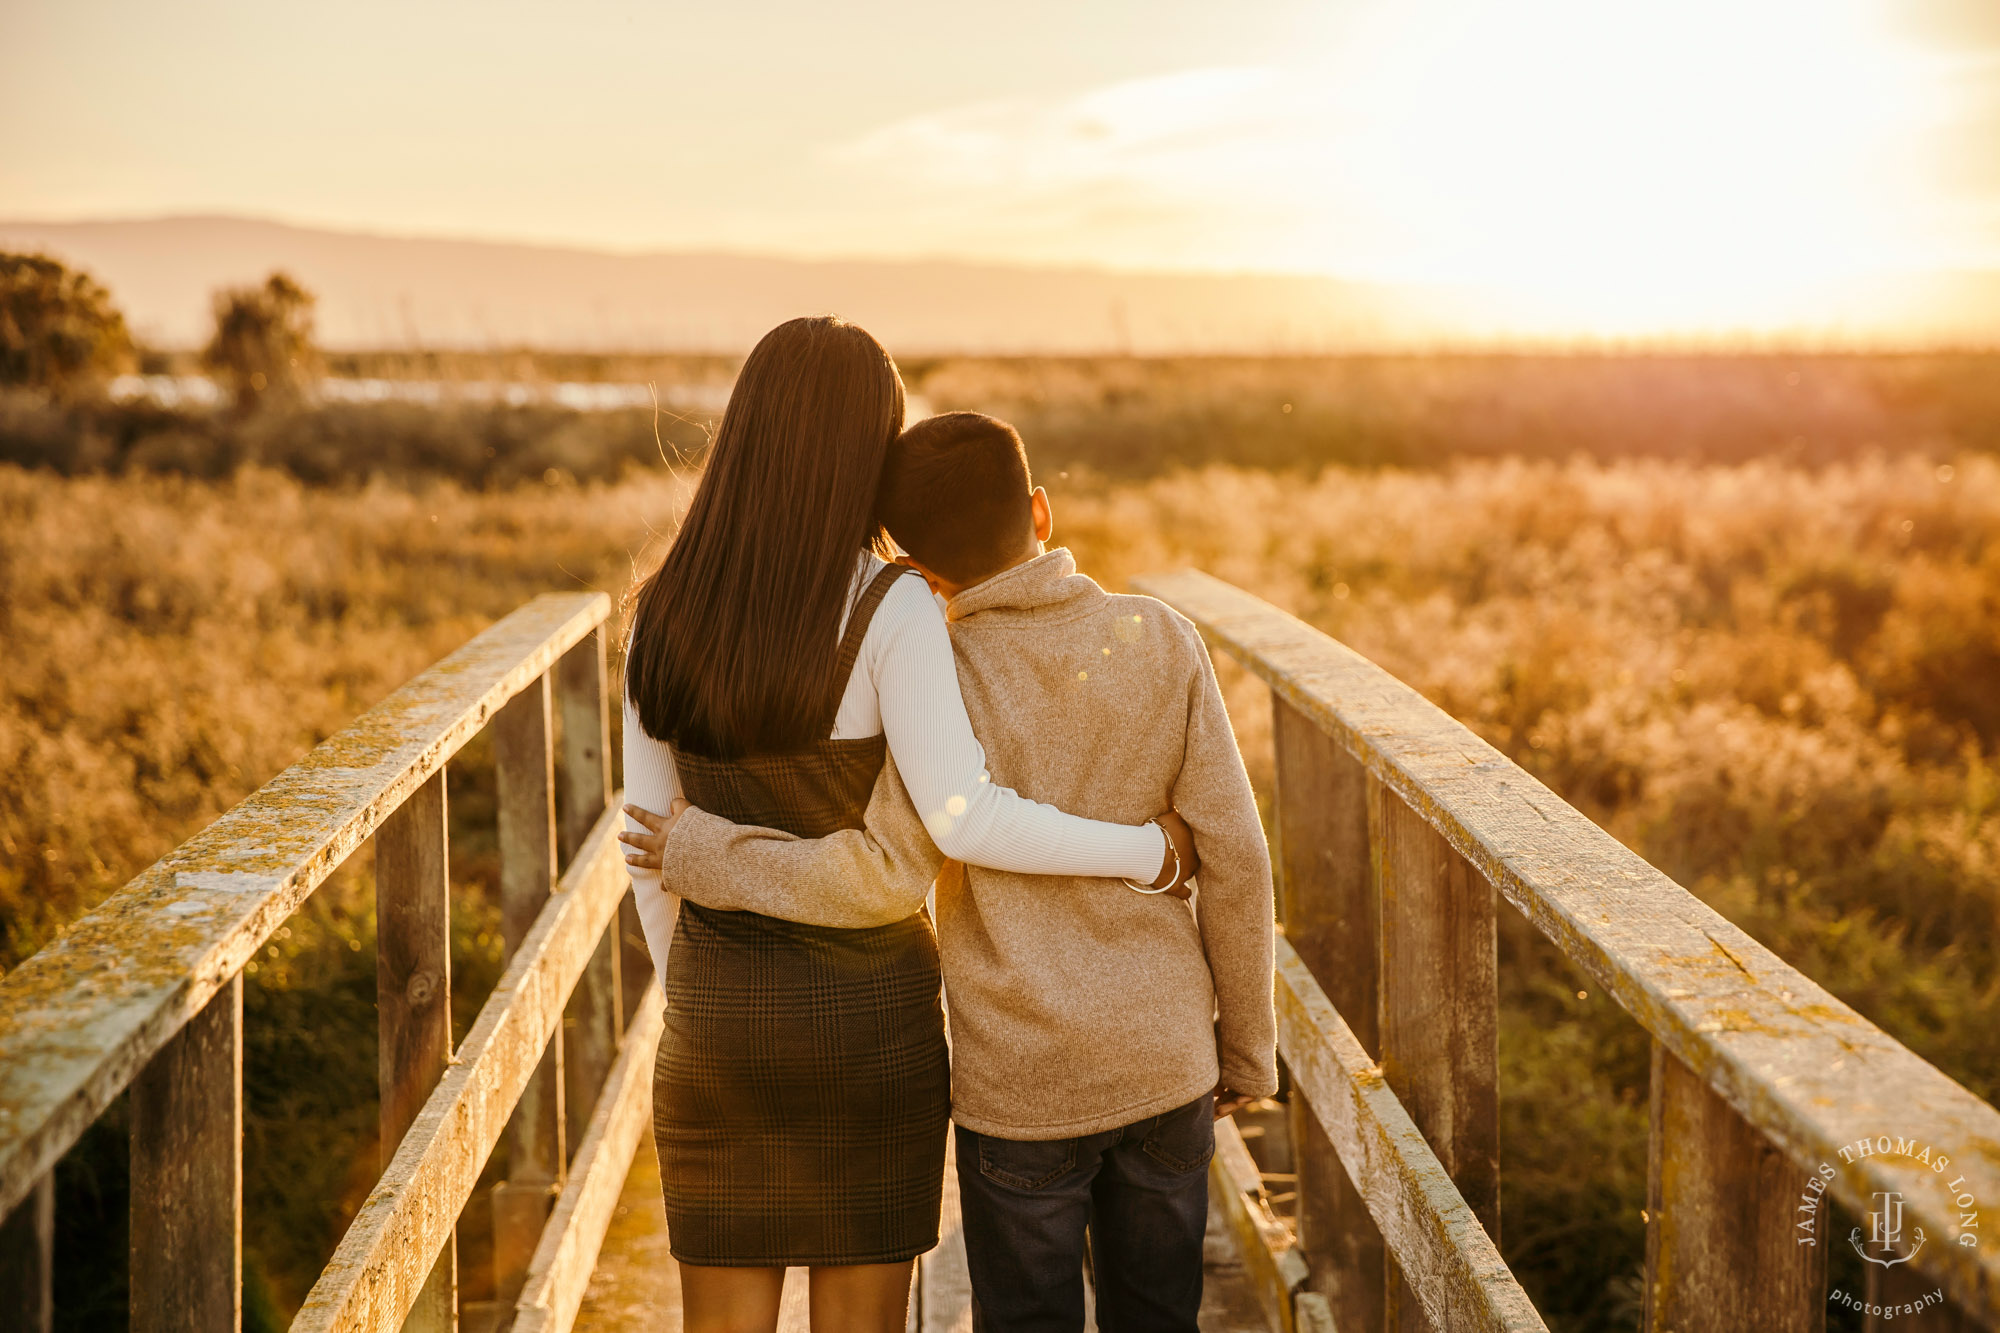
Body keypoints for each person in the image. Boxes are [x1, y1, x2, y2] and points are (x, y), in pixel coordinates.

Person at [626, 410, 1277, 1332]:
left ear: (921, 572)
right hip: (1167, 1059)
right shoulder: (1162, 638)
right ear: (1040, 513)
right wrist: (1246, 1043)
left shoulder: (940, 670)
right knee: (1159, 1312)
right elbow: (1239, 853)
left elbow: (883, 869)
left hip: (1020, 1086)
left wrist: (704, 851)